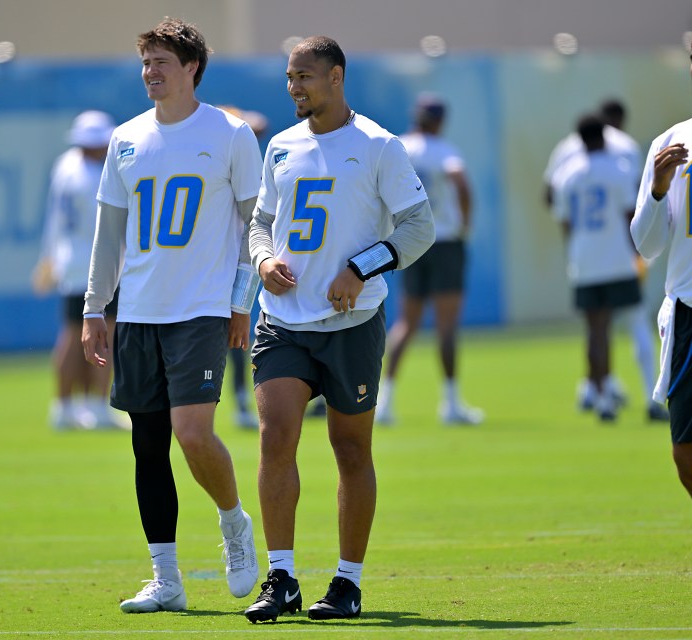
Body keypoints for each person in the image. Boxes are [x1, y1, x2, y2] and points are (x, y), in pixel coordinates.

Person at [244, 36, 435, 622]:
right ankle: (281, 578)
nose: (294, 87)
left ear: (336, 77)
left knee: (350, 448)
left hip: (353, 323)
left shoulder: (378, 145)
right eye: (289, 77)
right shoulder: (280, 146)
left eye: (304, 76)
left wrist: (361, 267)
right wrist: (263, 260)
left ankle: (347, 583)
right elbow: (260, 222)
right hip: (283, 321)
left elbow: (419, 226)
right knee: (276, 437)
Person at [81, 17, 262, 613]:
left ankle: (234, 523)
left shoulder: (231, 134)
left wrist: (241, 304)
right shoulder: (125, 138)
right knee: (148, 445)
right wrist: (95, 306)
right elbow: (109, 233)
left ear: (192, 68)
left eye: (161, 62)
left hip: (201, 310)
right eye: (145, 62)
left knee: (192, 433)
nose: (150, 72)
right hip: (138, 312)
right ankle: (166, 579)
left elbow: (255, 228)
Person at [544, 100, 668, 421]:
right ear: (604, 135)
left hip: (585, 262)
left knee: (595, 331)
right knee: (638, 322)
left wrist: (575, 253)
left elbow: (564, 221)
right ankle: (651, 399)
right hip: (618, 258)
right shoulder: (619, 170)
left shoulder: (567, 174)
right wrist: (639, 254)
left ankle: (603, 401)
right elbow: (631, 215)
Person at [376, 93, 483, 426]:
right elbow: (462, 184)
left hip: (410, 242)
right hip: (445, 240)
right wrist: (465, 225)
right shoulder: (444, 150)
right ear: (440, 120)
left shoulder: (401, 146)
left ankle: (385, 402)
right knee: (446, 326)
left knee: (405, 324)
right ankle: (451, 403)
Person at [32, 111, 127, 430]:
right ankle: (94, 406)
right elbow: (105, 228)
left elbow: (53, 220)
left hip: (72, 263)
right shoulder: (95, 178)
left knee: (74, 334)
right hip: (96, 265)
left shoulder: (65, 166)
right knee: (101, 334)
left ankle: (68, 406)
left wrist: (48, 258)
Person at [629, 70, 692, 497]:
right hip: (689, 312)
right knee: (685, 453)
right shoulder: (671, 142)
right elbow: (647, 245)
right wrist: (656, 191)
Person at [218, 105, 270, 430]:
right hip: (219, 259)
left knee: (238, 336)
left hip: (243, 256)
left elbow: (259, 122)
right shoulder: (216, 150)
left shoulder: (240, 147)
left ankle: (239, 400)